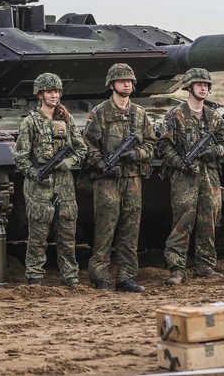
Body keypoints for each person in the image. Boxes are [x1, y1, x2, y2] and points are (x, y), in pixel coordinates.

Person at [82, 63, 156, 293]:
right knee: (105, 228)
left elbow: (152, 144)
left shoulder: (140, 114)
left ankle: (126, 277)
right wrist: (102, 165)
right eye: (122, 80)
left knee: (130, 229)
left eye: (130, 81)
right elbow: (89, 145)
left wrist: (138, 154)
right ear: (111, 84)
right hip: (107, 180)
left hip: (133, 178)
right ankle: (100, 277)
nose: (127, 84)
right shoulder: (100, 113)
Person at [13, 72, 87, 286]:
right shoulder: (30, 123)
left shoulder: (67, 119)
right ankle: (35, 274)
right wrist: (37, 175)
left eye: (56, 91)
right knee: (38, 233)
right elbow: (21, 158)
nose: (54, 96)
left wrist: (70, 162)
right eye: (49, 92)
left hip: (64, 185)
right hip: (39, 186)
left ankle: (70, 275)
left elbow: (81, 149)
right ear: (40, 94)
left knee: (67, 233)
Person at [158, 68, 224, 285]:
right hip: (184, 177)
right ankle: (177, 268)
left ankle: (205, 266)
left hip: (209, 175)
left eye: (206, 85)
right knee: (182, 221)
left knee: (209, 220)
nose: (204, 88)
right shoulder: (175, 115)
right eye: (199, 85)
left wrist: (215, 151)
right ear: (189, 87)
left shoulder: (213, 116)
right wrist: (182, 163)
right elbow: (164, 146)